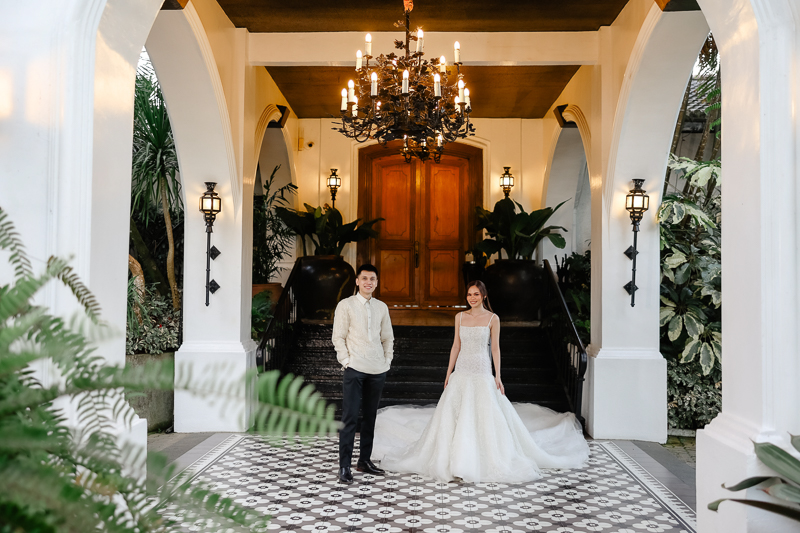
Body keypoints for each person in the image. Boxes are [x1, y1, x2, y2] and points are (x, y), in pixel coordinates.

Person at [371, 280, 589, 483]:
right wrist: (448, 373)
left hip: (482, 369)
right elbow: (456, 346)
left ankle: (480, 457)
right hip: (462, 369)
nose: (472, 298)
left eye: (476, 294)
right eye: (469, 294)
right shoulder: (460, 317)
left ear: (484, 296)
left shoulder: (493, 319)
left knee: (484, 412)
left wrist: (498, 376)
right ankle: (454, 459)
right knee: (455, 414)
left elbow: (496, 349)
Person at [332, 264, 394, 484]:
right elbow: (338, 337)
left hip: (377, 370)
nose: (369, 282)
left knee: (370, 417)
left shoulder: (381, 307)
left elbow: (387, 337)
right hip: (355, 369)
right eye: (365, 278)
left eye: (372, 279)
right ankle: (344, 466)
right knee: (349, 418)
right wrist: (347, 361)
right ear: (357, 281)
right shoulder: (345, 305)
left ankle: (364, 461)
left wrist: (387, 361)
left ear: (376, 283)